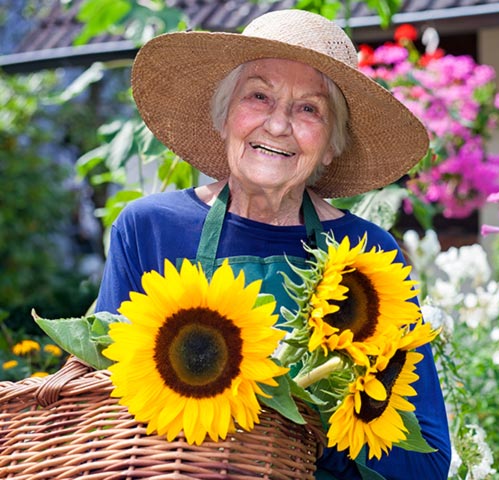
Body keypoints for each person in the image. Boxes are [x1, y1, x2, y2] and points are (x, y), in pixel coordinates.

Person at [94, 8, 451, 480]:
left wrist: (309, 430)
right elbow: (99, 400)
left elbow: (426, 459)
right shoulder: (150, 229)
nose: (278, 125)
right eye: (258, 96)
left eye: (309, 108)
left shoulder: (370, 255)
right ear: (223, 117)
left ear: (331, 145)